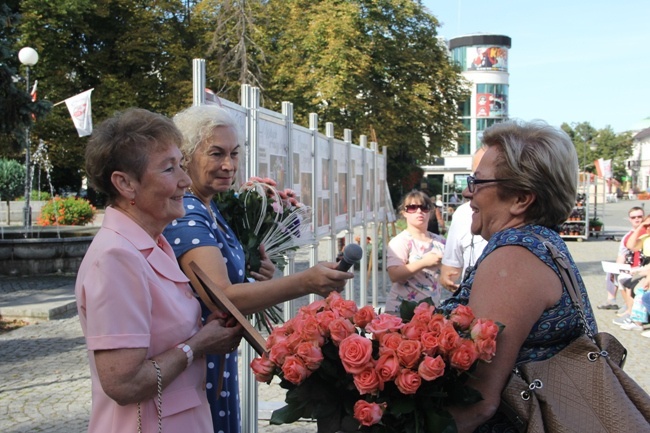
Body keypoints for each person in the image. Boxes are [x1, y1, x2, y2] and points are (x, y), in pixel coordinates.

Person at [163, 104, 353, 432]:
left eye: (235, 154)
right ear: (187, 156)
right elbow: (219, 295)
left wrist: (252, 277)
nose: (228, 165)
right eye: (216, 154)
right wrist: (306, 281)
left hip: (213, 362)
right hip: (197, 365)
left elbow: (218, 282)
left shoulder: (208, 207)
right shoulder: (188, 214)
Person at [75, 108, 244, 433]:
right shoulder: (116, 257)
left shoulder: (154, 244)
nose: (184, 180)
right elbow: (123, 384)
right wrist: (197, 345)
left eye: (181, 164)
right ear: (125, 183)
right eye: (170, 169)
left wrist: (202, 332)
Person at [440, 120, 597, 432]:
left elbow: (478, 403)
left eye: (477, 182)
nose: (466, 191)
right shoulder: (540, 243)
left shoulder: (515, 256)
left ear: (521, 198)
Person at [385, 190, 446, 313]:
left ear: (430, 211)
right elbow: (394, 274)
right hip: (401, 310)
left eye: (424, 207)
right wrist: (424, 262)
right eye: (412, 207)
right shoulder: (401, 241)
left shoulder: (441, 242)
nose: (419, 211)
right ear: (404, 213)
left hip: (431, 310)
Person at [439, 146, 488, 291]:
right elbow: (450, 270)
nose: (467, 192)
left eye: (480, 180)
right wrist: (447, 279)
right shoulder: (462, 214)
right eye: (473, 178)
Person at [600, 206, 644, 313]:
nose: (637, 219)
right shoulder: (627, 236)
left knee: (623, 278)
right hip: (631, 266)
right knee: (612, 272)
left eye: (639, 217)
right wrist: (618, 268)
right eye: (633, 217)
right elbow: (622, 255)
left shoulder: (646, 234)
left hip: (642, 267)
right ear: (630, 219)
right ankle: (611, 300)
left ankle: (629, 308)